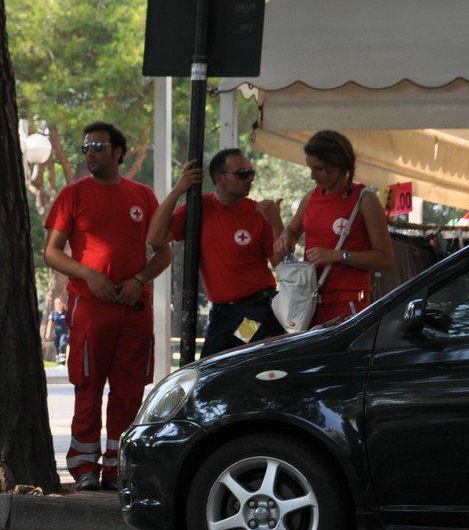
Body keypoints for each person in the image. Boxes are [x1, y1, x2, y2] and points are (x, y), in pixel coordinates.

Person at [43, 122, 172, 491]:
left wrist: (139, 280)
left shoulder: (142, 195)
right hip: (90, 307)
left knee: (129, 391)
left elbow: (164, 252)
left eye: (98, 146)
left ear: (119, 151)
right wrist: (89, 274)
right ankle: (84, 467)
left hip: (133, 308)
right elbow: (52, 252)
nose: (90, 153)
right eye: (85, 147)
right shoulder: (73, 194)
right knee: (88, 387)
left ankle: (120, 469)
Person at [147, 148, 285, 357]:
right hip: (222, 312)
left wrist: (276, 223)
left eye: (251, 173)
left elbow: (282, 265)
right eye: (242, 174)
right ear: (220, 178)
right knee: (214, 366)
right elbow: (155, 238)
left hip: (255, 312)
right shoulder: (198, 206)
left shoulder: (259, 214)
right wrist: (177, 191)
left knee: (229, 361)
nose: (250, 179)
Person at [273, 129, 395, 324]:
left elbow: (386, 259)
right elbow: (293, 231)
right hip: (309, 305)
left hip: (348, 307)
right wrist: (285, 236)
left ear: (338, 164)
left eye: (318, 168)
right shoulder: (310, 198)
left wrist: (339, 255)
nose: (312, 176)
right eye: (310, 168)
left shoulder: (365, 199)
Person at [43, 297, 70, 363]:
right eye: (57, 303)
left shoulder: (66, 313)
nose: (58, 305)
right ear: (55, 305)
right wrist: (48, 333)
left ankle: (62, 363)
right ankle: (58, 361)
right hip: (56, 332)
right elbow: (50, 323)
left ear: (62, 304)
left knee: (62, 345)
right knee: (57, 346)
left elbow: (70, 323)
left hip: (64, 332)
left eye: (60, 303)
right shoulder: (53, 313)